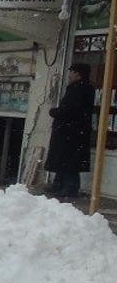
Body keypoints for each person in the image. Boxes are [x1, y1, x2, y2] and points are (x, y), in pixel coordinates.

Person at [45, 63, 98, 199]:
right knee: (65, 159)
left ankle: (69, 187)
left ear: (78, 74)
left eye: (72, 72)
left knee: (68, 160)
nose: (69, 75)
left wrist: (55, 112)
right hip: (72, 132)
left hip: (71, 132)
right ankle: (60, 184)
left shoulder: (79, 89)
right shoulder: (82, 88)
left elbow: (71, 110)